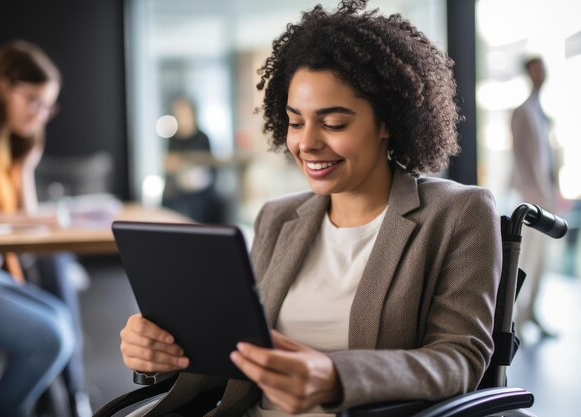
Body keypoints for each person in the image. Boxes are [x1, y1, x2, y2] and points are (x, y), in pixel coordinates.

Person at [118, 1, 502, 416]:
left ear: (388, 122)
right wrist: (162, 351)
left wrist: (334, 375)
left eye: (334, 123)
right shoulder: (278, 218)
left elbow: (459, 358)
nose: (307, 143)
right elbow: (236, 352)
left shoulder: (458, 212)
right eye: (296, 122)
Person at [0, 40, 89, 417]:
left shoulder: (6, 142)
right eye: (33, 100)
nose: (40, 115)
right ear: (2, 86)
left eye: (48, 106)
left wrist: (26, 166)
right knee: (51, 338)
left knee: (61, 318)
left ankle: (71, 399)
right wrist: (19, 220)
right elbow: (20, 220)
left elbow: (27, 230)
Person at [510, 57, 558, 338]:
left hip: (545, 196)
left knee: (541, 261)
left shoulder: (539, 111)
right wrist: (536, 196)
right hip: (532, 199)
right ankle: (514, 320)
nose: (541, 73)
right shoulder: (522, 112)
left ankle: (531, 313)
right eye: (535, 68)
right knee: (527, 259)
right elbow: (523, 159)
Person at [162, 96, 225, 223]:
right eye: (178, 114)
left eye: (184, 114)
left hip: (200, 193)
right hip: (178, 191)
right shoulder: (173, 140)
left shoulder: (202, 138)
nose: (181, 118)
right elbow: (169, 165)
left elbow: (210, 167)